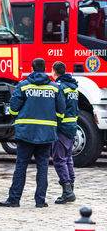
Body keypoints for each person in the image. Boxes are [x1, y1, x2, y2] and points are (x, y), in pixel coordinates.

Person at [0, 58, 65, 208]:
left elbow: (13, 107)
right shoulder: (54, 88)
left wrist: (20, 118)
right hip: (46, 134)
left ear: (32, 68)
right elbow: (61, 111)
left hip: (26, 133)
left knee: (21, 166)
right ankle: (40, 201)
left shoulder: (23, 85)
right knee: (42, 167)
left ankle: (14, 199)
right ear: (45, 69)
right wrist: (52, 123)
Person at [51, 61, 78, 204]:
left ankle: (67, 191)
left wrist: (56, 123)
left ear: (54, 72)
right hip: (72, 126)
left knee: (59, 159)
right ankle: (70, 188)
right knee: (68, 159)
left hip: (62, 128)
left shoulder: (60, 87)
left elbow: (60, 108)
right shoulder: (73, 88)